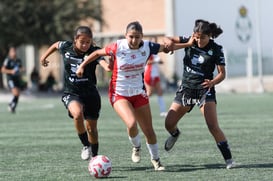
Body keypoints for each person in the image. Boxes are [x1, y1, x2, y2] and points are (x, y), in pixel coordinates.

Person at [76, 21, 192, 171]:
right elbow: (97, 53)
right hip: (119, 94)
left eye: (137, 37)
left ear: (141, 37)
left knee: (149, 131)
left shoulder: (148, 47)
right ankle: (136, 147)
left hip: (139, 93)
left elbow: (168, 47)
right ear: (126, 36)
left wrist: (188, 44)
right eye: (131, 36)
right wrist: (82, 66)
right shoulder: (118, 46)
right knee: (131, 124)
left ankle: (156, 160)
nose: (133, 40)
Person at [163, 19, 236, 169]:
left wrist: (212, 83)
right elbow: (167, 39)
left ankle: (229, 160)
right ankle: (175, 134)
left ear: (209, 36)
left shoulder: (216, 49)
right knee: (168, 123)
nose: (199, 40)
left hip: (204, 90)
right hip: (186, 89)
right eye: (196, 37)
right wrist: (187, 44)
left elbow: (222, 74)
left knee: (212, 126)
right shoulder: (190, 41)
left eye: (202, 37)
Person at [40, 26, 112, 161]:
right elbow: (56, 45)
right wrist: (44, 57)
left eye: (88, 42)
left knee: (92, 129)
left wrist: (111, 64)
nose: (85, 45)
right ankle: (86, 145)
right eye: (82, 42)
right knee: (77, 114)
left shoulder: (94, 52)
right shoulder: (66, 47)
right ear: (75, 40)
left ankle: (95, 157)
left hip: (90, 94)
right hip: (72, 92)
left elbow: (106, 66)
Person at [1, 46, 25, 113]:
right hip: (11, 79)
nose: (14, 53)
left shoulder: (18, 60)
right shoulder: (7, 60)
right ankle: (11, 104)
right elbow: (2, 70)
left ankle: (13, 106)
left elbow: (21, 68)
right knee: (15, 92)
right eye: (12, 51)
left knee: (18, 94)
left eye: (14, 51)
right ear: (10, 53)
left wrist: (21, 70)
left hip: (17, 79)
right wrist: (11, 71)